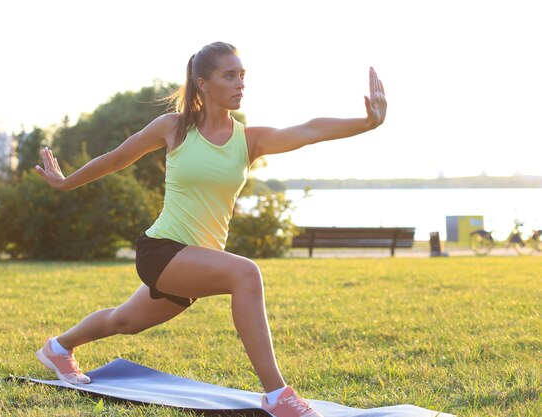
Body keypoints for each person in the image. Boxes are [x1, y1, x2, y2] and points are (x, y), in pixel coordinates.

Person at [34, 41, 386, 417]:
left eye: (242, 76)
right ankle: (277, 395)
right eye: (230, 75)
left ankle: (58, 348)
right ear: (203, 83)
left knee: (124, 321)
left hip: (196, 261)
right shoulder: (174, 128)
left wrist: (366, 122)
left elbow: (309, 129)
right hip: (161, 249)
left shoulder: (249, 140)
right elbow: (118, 157)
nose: (240, 84)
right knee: (246, 274)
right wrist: (66, 182)